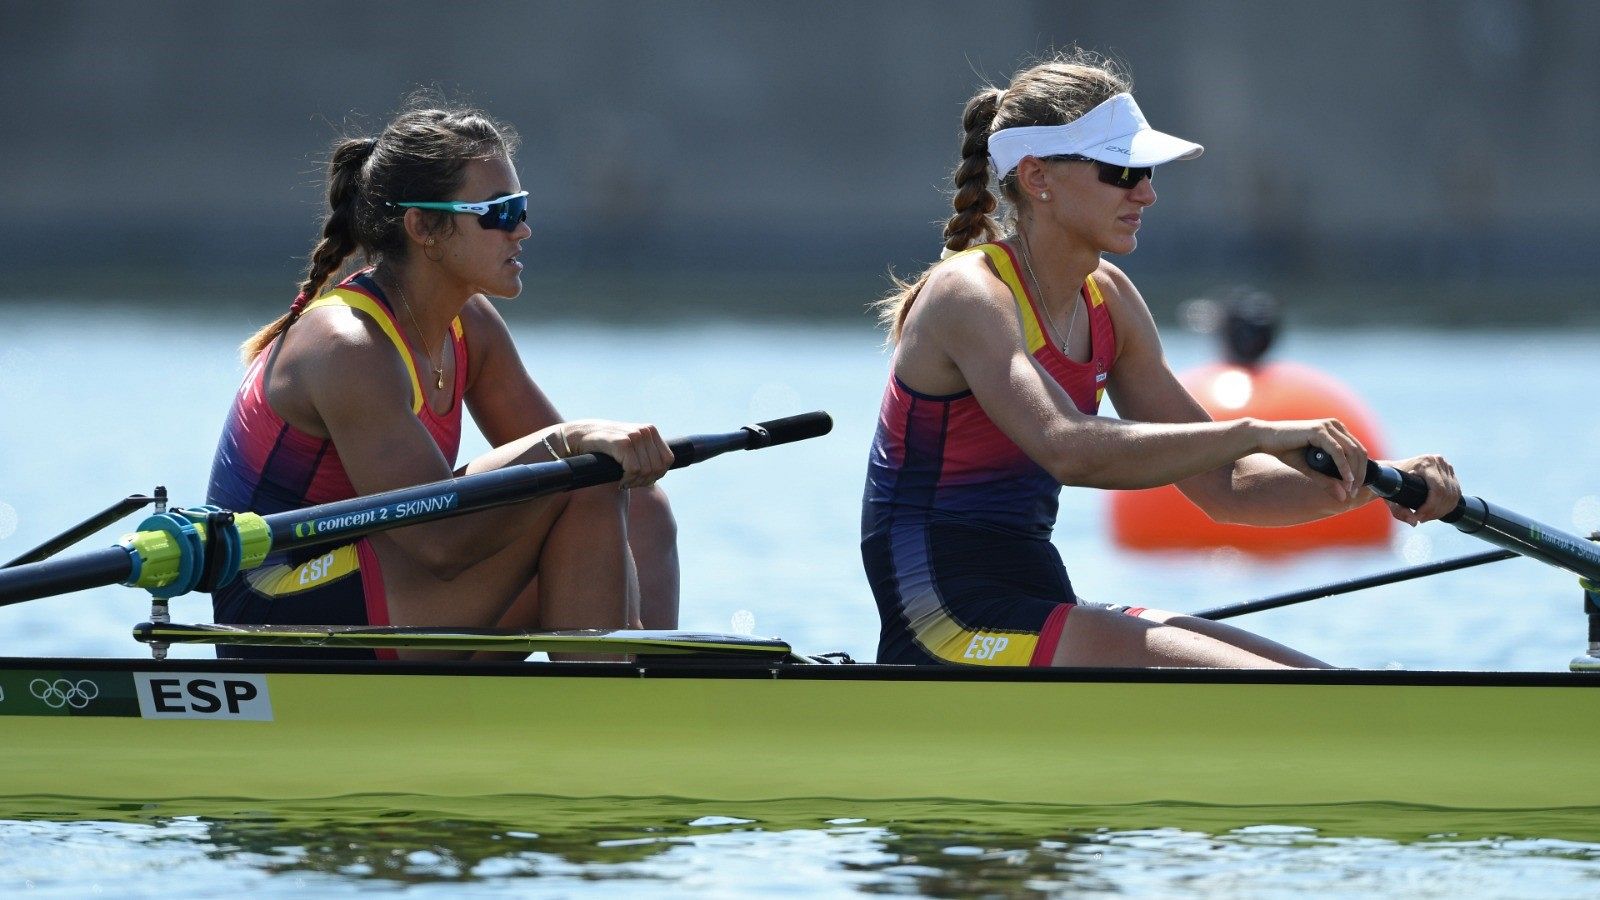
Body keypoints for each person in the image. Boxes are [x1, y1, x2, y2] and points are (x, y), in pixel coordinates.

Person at [861, 51, 1461, 669]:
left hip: (1036, 601)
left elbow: (1228, 488)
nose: (1146, 193)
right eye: (1121, 172)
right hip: (938, 621)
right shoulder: (970, 293)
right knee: (1276, 693)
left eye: (1147, 171)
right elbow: (1068, 447)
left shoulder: (1110, 299)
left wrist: (1379, 482)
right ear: (1038, 177)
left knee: (1314, 682)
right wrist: (1254, 430)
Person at [207, 100, 679, 660]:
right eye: (500, 213)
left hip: (385, 579)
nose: (523, 230)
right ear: (424, 227)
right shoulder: (346, 347)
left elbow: (581, 480)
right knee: (582, 479)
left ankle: (644, 686)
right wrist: (571, 440)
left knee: (637, 501)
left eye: (521, 206)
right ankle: (610, 713)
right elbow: (438, 542)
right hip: (279, 610)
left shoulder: (470, 325)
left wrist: (596, 454)